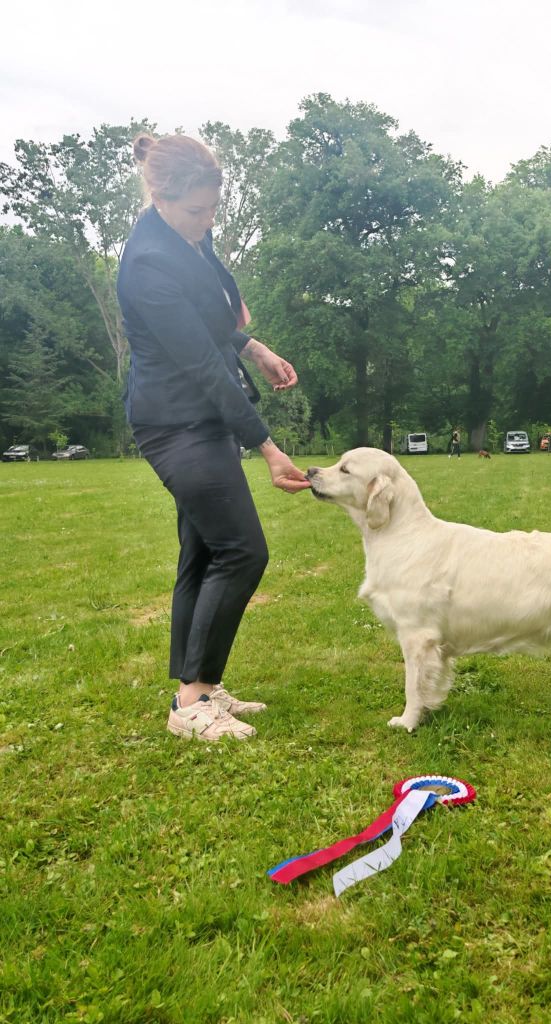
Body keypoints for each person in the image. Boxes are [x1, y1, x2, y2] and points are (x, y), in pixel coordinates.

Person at [117, 132, 311, 742]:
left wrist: (255, 348)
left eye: (213, 210)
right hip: (175, 421)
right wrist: (268, 447)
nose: (207, 222)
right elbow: (200, 362)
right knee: (242, 550)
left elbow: (213, 322)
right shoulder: (148, 263)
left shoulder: (187, 237)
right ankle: (190, 703)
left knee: (202, 553)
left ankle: (203, 687)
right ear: (160, 196)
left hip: (202, 413)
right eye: (197, 211)